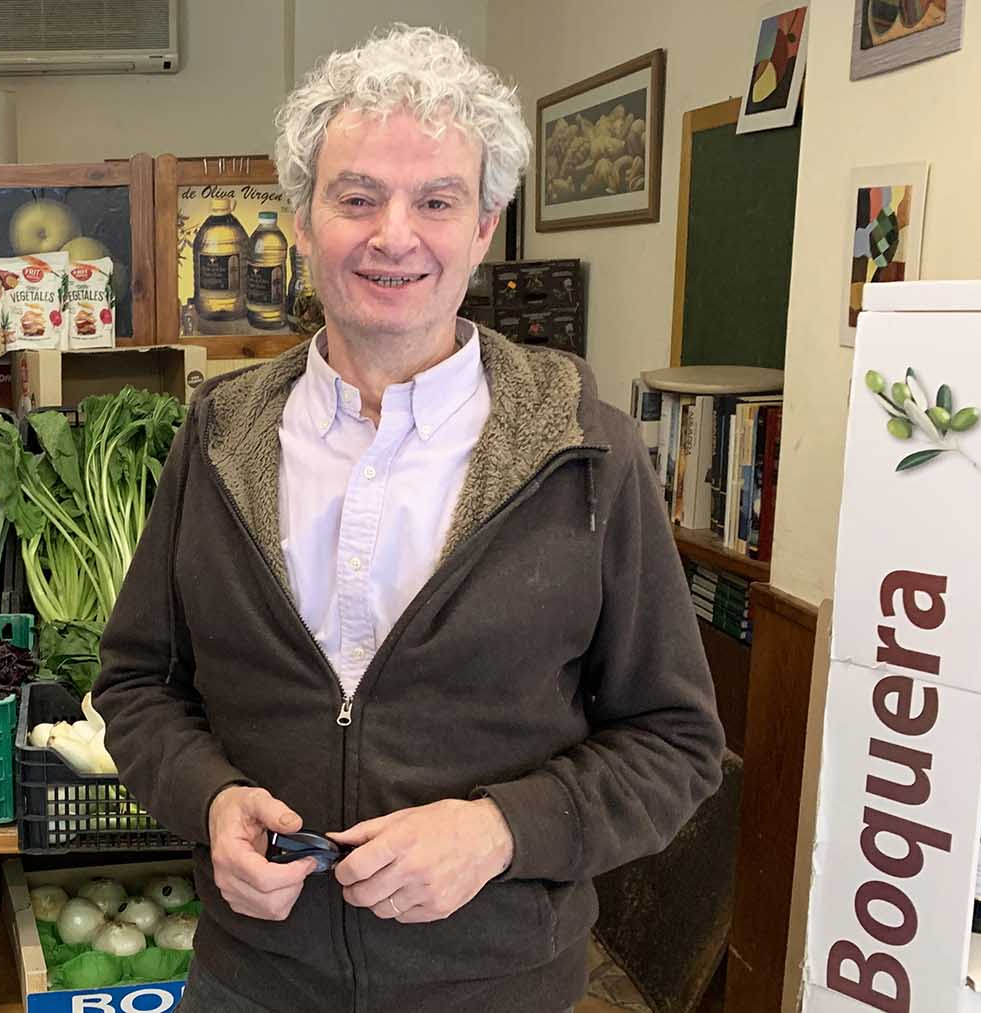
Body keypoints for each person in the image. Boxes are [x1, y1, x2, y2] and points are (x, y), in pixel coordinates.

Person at [92, 24, 725, 1012]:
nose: (395, 235)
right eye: (357, 198)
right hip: (251, 979)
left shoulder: (586, 452)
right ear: (303, 220)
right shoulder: (218, 438)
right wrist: (208, 799)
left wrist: (502, 831)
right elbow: (137, 684)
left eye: (436, 200)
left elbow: (675, 741)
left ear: (484, 226)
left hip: (496, 988)